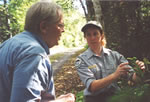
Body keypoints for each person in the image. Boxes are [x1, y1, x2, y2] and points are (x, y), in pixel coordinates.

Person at [0, 1, 75, 102]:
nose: (63, 30)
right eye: (60, 25)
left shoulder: (7, 45)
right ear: (43, 27)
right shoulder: (34, 54)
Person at [75, 21, 145, 102]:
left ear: (101, 35)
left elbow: (133, 77)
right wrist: (115, 75)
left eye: (95, 34)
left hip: (115, 97)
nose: (92, 38)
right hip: (93, 99)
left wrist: (139, 71)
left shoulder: (114, 55)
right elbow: (92, 86)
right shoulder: (81, 60)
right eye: (88, 34)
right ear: (85, 37)